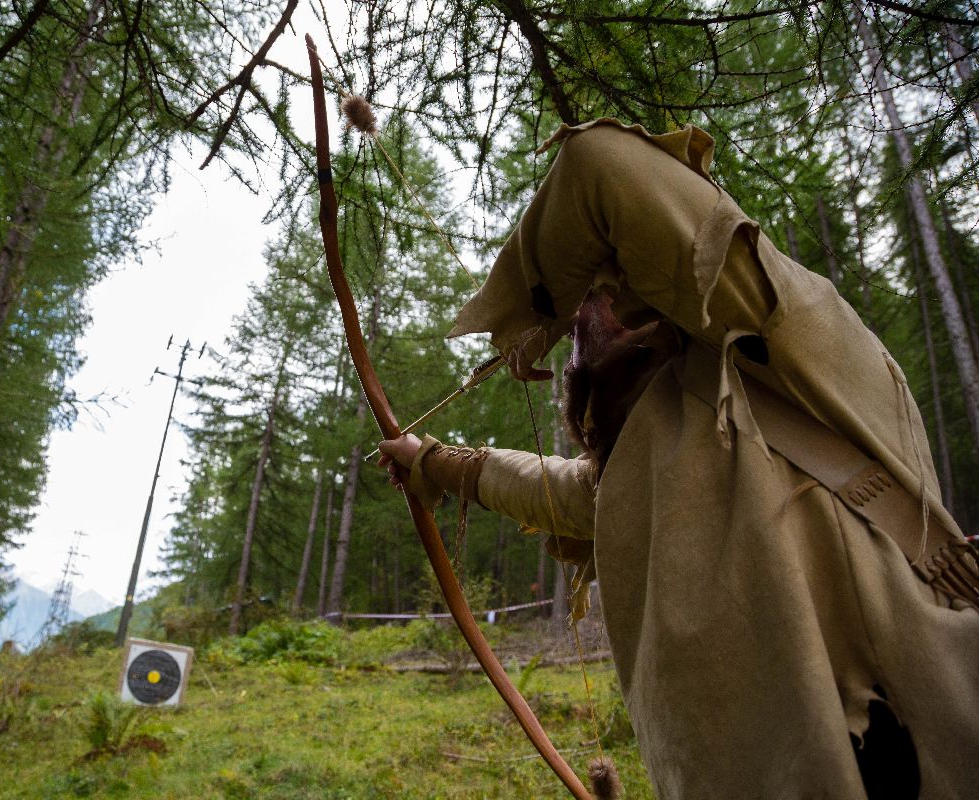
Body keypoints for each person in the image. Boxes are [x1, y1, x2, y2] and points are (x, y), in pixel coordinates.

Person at [376, 119, 979, 799]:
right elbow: (548, 490)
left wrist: (537, 311)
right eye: (582, 318)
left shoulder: (782, 334)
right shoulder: (644, 464)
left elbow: (599, 162)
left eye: (606, 293)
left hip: (915, 746)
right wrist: (431, 464)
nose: (588, 316)